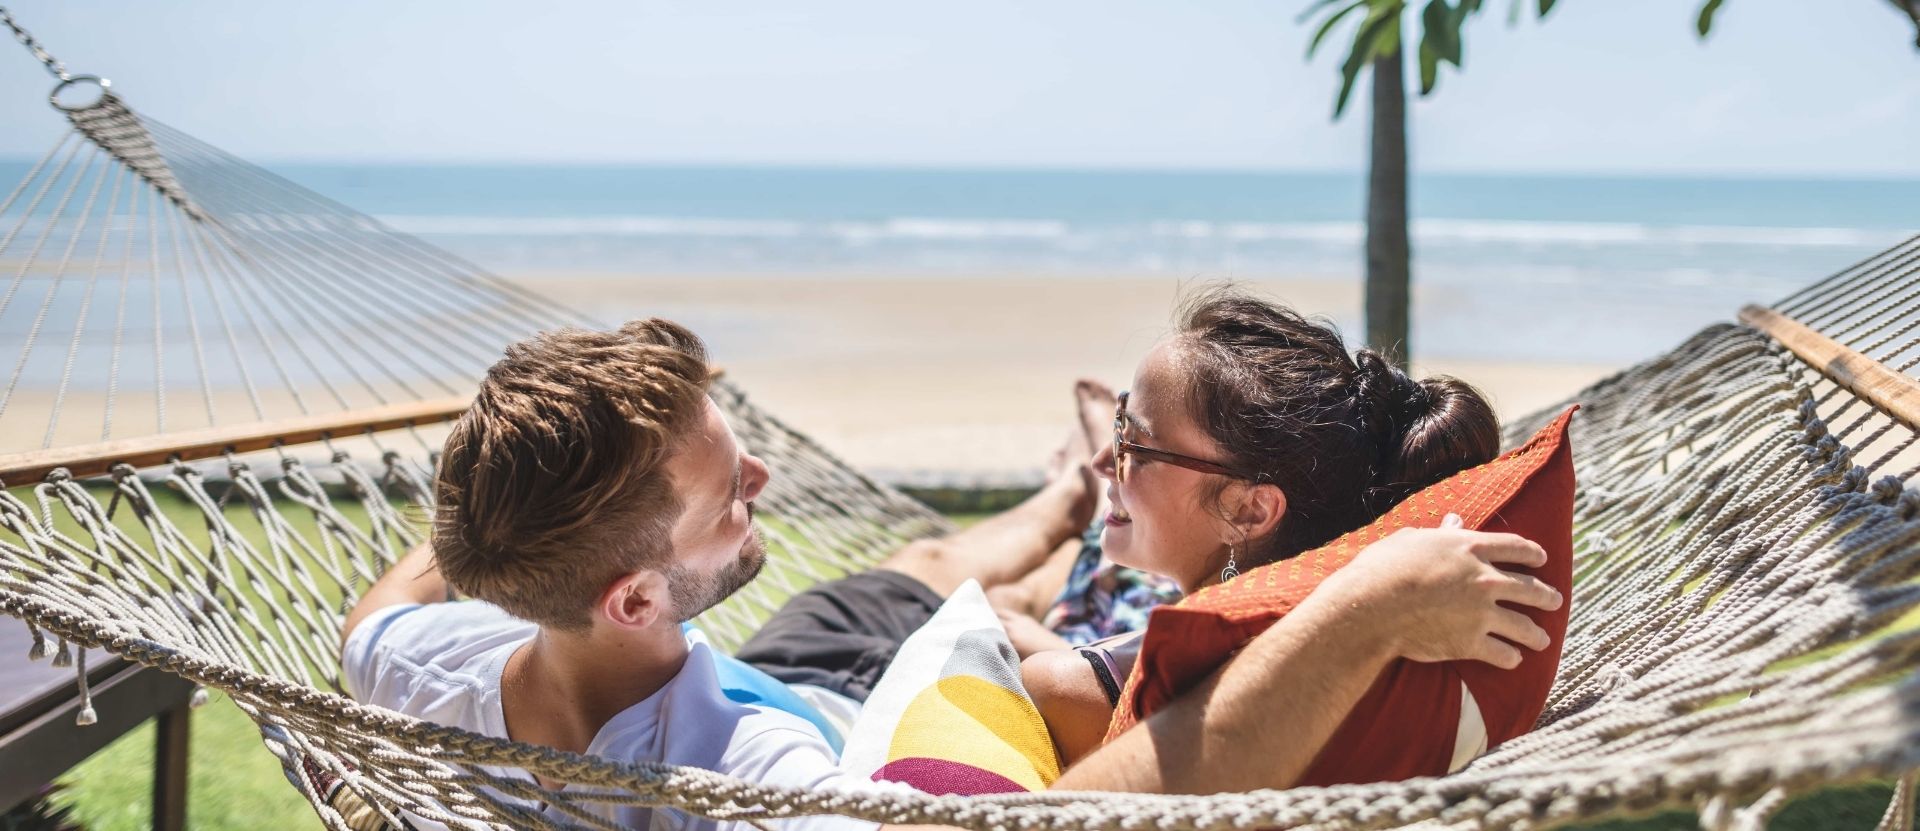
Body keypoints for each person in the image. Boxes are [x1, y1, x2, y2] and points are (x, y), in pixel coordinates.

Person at [339, 316, 1561, 831]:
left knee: (932, 563)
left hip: (784, 659)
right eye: (732, 492)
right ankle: (1072, 509)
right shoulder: (763, 770)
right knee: (966, 587)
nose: (764, 475)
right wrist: (1361, 610)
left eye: (1135, 450)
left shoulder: (422, 667)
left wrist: (498, 525)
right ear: (635, 599)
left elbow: (378, 619)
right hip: (827, 686)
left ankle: (1066, 501)